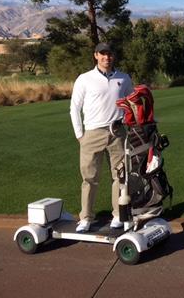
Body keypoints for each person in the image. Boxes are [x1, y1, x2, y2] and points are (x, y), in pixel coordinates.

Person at [70, 42, 134, 232]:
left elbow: (130, 103)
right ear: (96, 55)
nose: (107, 57)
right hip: (92, 133)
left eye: (110, 54)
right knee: (89, 178)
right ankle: (86, 218)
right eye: (103, 54)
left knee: (120, 177)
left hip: (117, 132)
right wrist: (80, 135)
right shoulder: (84, 79)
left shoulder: (123, 78)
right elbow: (74, 107)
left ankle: (118, 215)